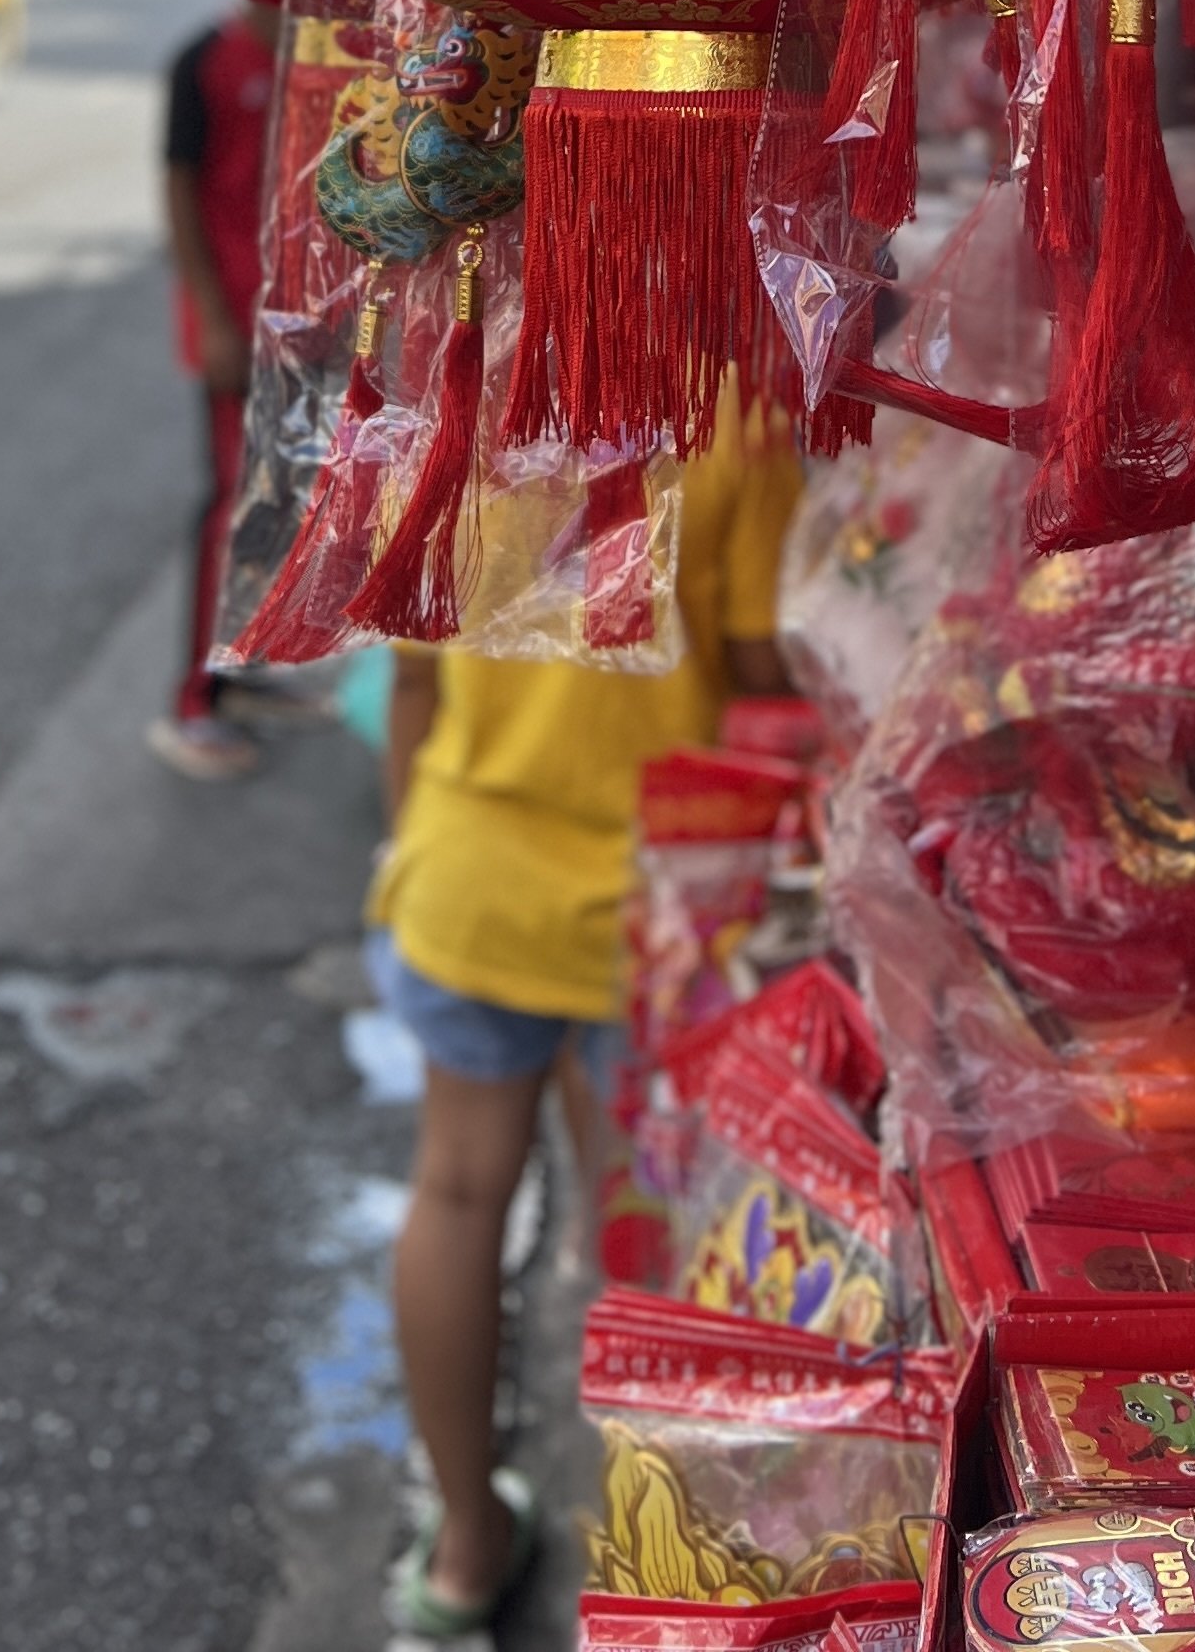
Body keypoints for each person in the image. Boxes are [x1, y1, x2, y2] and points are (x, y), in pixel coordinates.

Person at [369, 401, 802, 1641]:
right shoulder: (734, 417)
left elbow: (410, 680)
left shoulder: (448, 404)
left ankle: (465, 1541)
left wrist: (410, 858)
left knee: (455, 1193)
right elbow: (767, 684)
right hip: (659, 903)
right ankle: (654, 1546)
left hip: (468, 875)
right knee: (649, 1224)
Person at [147, 0, 285, 781]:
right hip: (233, 322)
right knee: (232, 499)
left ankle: (241, 667)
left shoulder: (330, 59)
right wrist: (211, 319)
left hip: (305, 323)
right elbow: (178, 196)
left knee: (280, 498)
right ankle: (195, 699)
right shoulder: (205, 61)